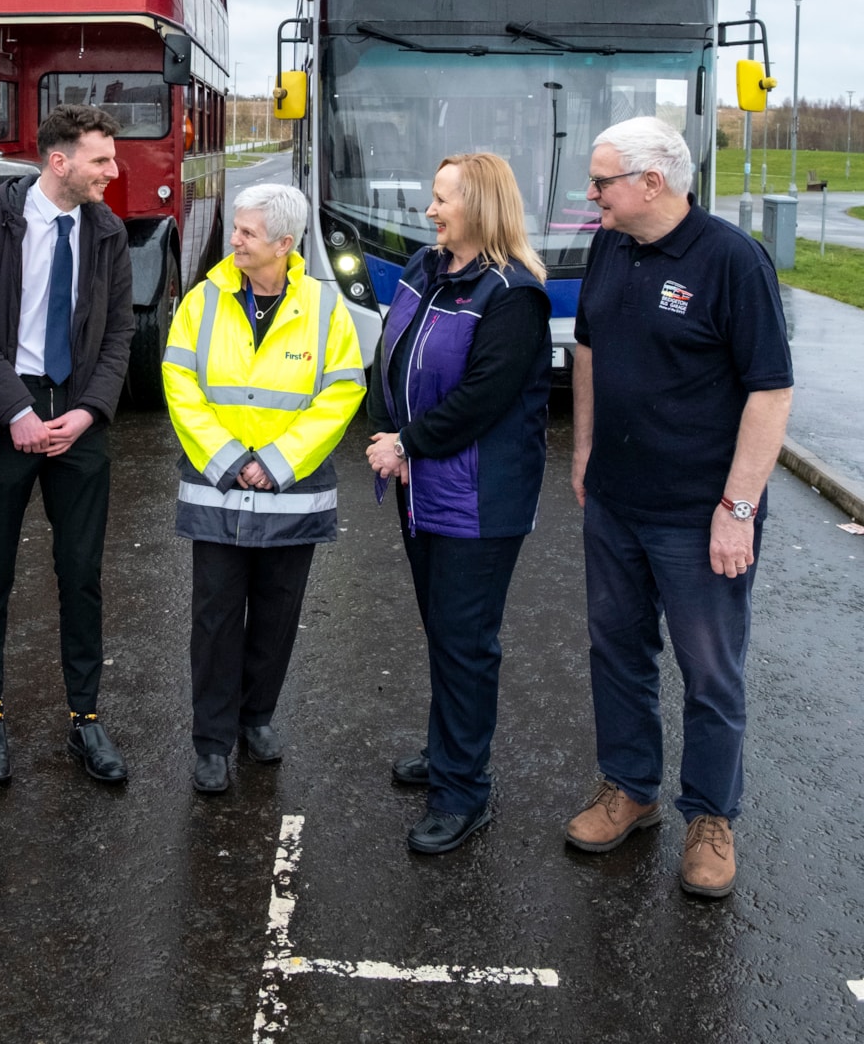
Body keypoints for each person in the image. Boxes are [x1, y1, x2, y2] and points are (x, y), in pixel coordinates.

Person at [565, 117, 793, 899]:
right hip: (617, 503)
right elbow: (588, 347)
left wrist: (739, 507)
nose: (590, 194)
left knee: (710, 671)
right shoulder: (609, 245)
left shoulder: (732, 261)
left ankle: (711, 817)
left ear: (651, 184)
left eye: (601, 182)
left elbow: (770, 389)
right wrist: (584, 449)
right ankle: (630, 788)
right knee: (617, 651)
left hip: (700, 513)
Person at [0, 104, 134, 787]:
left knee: (81, 572)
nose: (115, 170)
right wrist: (17, 412)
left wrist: (86, 413)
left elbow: (118, 336)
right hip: (5, 417)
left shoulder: (107, 230)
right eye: (102, 160)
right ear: (61, 161)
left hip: (76, 416)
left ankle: (86, 718)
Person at [366, 152, 551, 855]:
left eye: (443, 199)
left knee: (467, 643)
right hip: (425, 488)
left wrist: (406, 443)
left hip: (478, 498)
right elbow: (395, 351)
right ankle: (449, 753)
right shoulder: (426, 267)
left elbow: (484, 400)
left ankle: (463, 791)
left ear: (480, 206)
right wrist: (391, 427)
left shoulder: (514, 295)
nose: (430, 209)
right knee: (444, 631)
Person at [163, 183, 365, 793]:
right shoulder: (203, 301)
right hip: (218, 489)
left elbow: (343, 390)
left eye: (246, 233)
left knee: (277, 616)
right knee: (215, 618)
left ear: (284, 243)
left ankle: (257, 719)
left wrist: (278, 461)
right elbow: (179, 379)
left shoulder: (327, 309)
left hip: (289, 493)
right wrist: (229, 458)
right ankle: (212, 741)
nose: (234, 241)